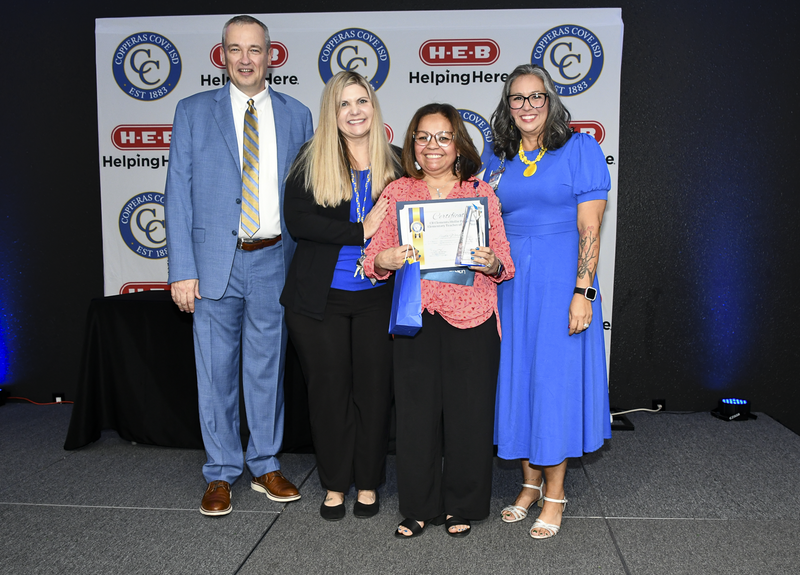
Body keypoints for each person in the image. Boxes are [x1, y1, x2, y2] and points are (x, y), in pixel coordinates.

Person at [165, 15, 314, 516]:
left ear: (271, 55)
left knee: (267, 371)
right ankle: (221, 472)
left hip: (275, 259)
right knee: (215, 372)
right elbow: (177, 197)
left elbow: (307, 196)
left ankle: (265, 463)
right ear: (222, 55)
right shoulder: (191, 111)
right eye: (235, 49)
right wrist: (182, 269)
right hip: (211, 265)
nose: (245, 59)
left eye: (255, 49)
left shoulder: (297, 115)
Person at [364, 103, 514, 539]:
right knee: (415, 416)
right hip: (416, 318)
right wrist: (384, 259)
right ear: (412, 144)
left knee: (469, 415)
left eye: (443, 137)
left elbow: (506, 260)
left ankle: (462, 505)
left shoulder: (481, 194)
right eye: (423, 137)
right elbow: (370, 261)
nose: (433, 146)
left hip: (472, 316)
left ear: (458, 145)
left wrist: (491, 263)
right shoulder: (397, 193)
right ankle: (418, 507)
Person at [484, 64, 612, 539]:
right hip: (511, 285)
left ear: (551, 101)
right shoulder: (496, 157)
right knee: (518, 380)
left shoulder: (580, 149)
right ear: (507, 106)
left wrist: (583, 291)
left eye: (536, 97)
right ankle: (528, 483)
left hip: (562, 283)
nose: (527, 106)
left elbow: (590, 229)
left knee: (553, 385)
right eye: (517, 99)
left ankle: (555, 494)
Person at [280, 71, 401, 521]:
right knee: (329, 395)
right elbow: (299, 223)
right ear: (332, 112)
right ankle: (334, 485)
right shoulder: (311, 160)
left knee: (373, 394)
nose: (354, 111)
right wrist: (361, 230)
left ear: (374, 107)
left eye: (362, 101)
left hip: (378, 299)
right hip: (319, 303)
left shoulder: (398, 161)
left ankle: (367, 483)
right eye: (344, 104)